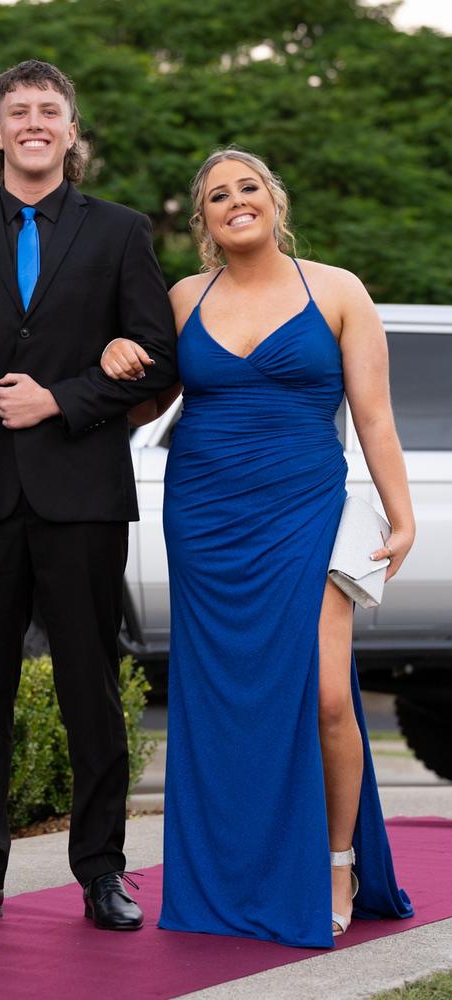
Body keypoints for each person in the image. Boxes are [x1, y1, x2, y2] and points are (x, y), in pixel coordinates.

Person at [100, 147, 415, 947]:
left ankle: (338, 858)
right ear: (203, 223)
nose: (235, 201)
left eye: (248, 188)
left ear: (273, 201)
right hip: (205, 519)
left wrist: (399, 514)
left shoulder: (337, 290)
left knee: (329, 696)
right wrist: (113, 359)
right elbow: (144, 410)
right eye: (216, 196)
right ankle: (232, 878)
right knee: (222, 705)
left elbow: (373, 416)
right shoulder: (180, 298)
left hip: (308, 509)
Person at [0, 59, 178, 933]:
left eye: (48, 110)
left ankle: (101, 870)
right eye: (16, 110)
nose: (33, 121)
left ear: (70, 129)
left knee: (89, 693)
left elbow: (160, 361)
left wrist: (62, 398)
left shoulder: (122, 233)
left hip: (82, 496)